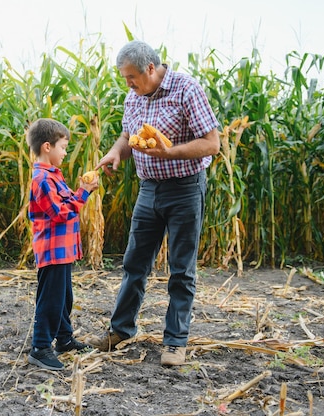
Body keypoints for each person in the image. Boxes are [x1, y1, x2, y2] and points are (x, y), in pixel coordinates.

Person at [89, 40, 220, 366]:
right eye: (125, 78)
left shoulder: (186, 89)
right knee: (135, 263)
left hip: (185, 189)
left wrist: (168, 152)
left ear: (151, 68)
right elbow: (126, 135)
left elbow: (212, 143)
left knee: (181, 268)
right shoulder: (133, 97)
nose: (128, 84)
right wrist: (116, 152)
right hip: (149, 190)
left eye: (132, 77)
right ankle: (121, 330)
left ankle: (175, 342)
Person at [26, 118, 99, 371]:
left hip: (62, 250)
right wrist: (84, 193)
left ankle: (64, 339)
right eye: (63, 147)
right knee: (51, 300)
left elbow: (66, 202)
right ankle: (40, 347)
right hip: (52, 250)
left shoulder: (53, 176)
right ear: (47, 146)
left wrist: (82, 189)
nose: (65, 152)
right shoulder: (42, 180)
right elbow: (61, 212)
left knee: (64, 297)